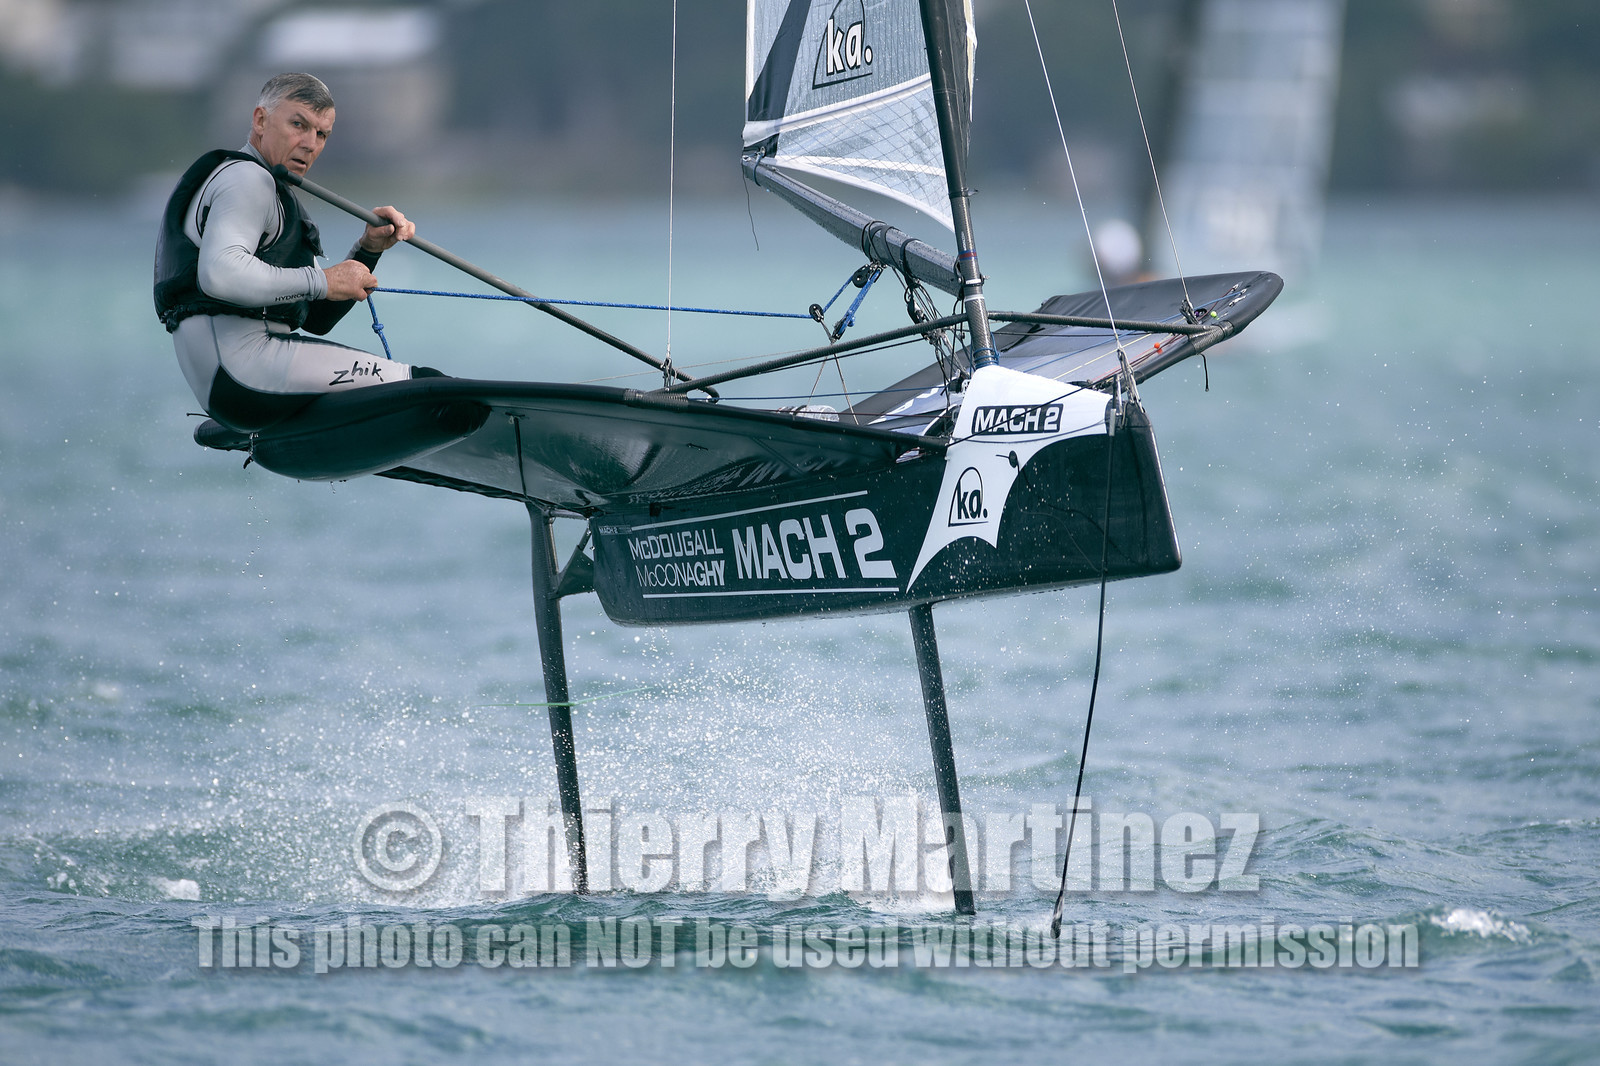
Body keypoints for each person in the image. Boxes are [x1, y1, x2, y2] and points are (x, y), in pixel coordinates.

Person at [154, 72, 443, 433]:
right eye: (298, 124)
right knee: (432, 389)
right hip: (243, 372)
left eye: (321, 134)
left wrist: (367, 250)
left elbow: (315, 319)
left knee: (418, 391)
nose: (310, 143)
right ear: (260, 120)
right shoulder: (247, 180)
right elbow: (220, 274)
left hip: (232, 382)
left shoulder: (272, 192)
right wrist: (320, 280)